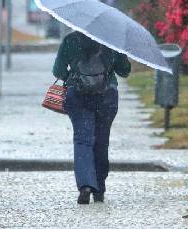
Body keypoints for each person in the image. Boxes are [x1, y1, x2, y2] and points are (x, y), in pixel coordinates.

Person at [52, 30, 131, 204]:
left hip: (77, 96)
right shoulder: (111, 39)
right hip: (107, 96)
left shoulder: (70, 40)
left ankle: (86, 185)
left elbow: (57, 70)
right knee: (101, 141)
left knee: (82, 140)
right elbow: (125, 71)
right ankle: (99, 188)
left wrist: (73, 78)